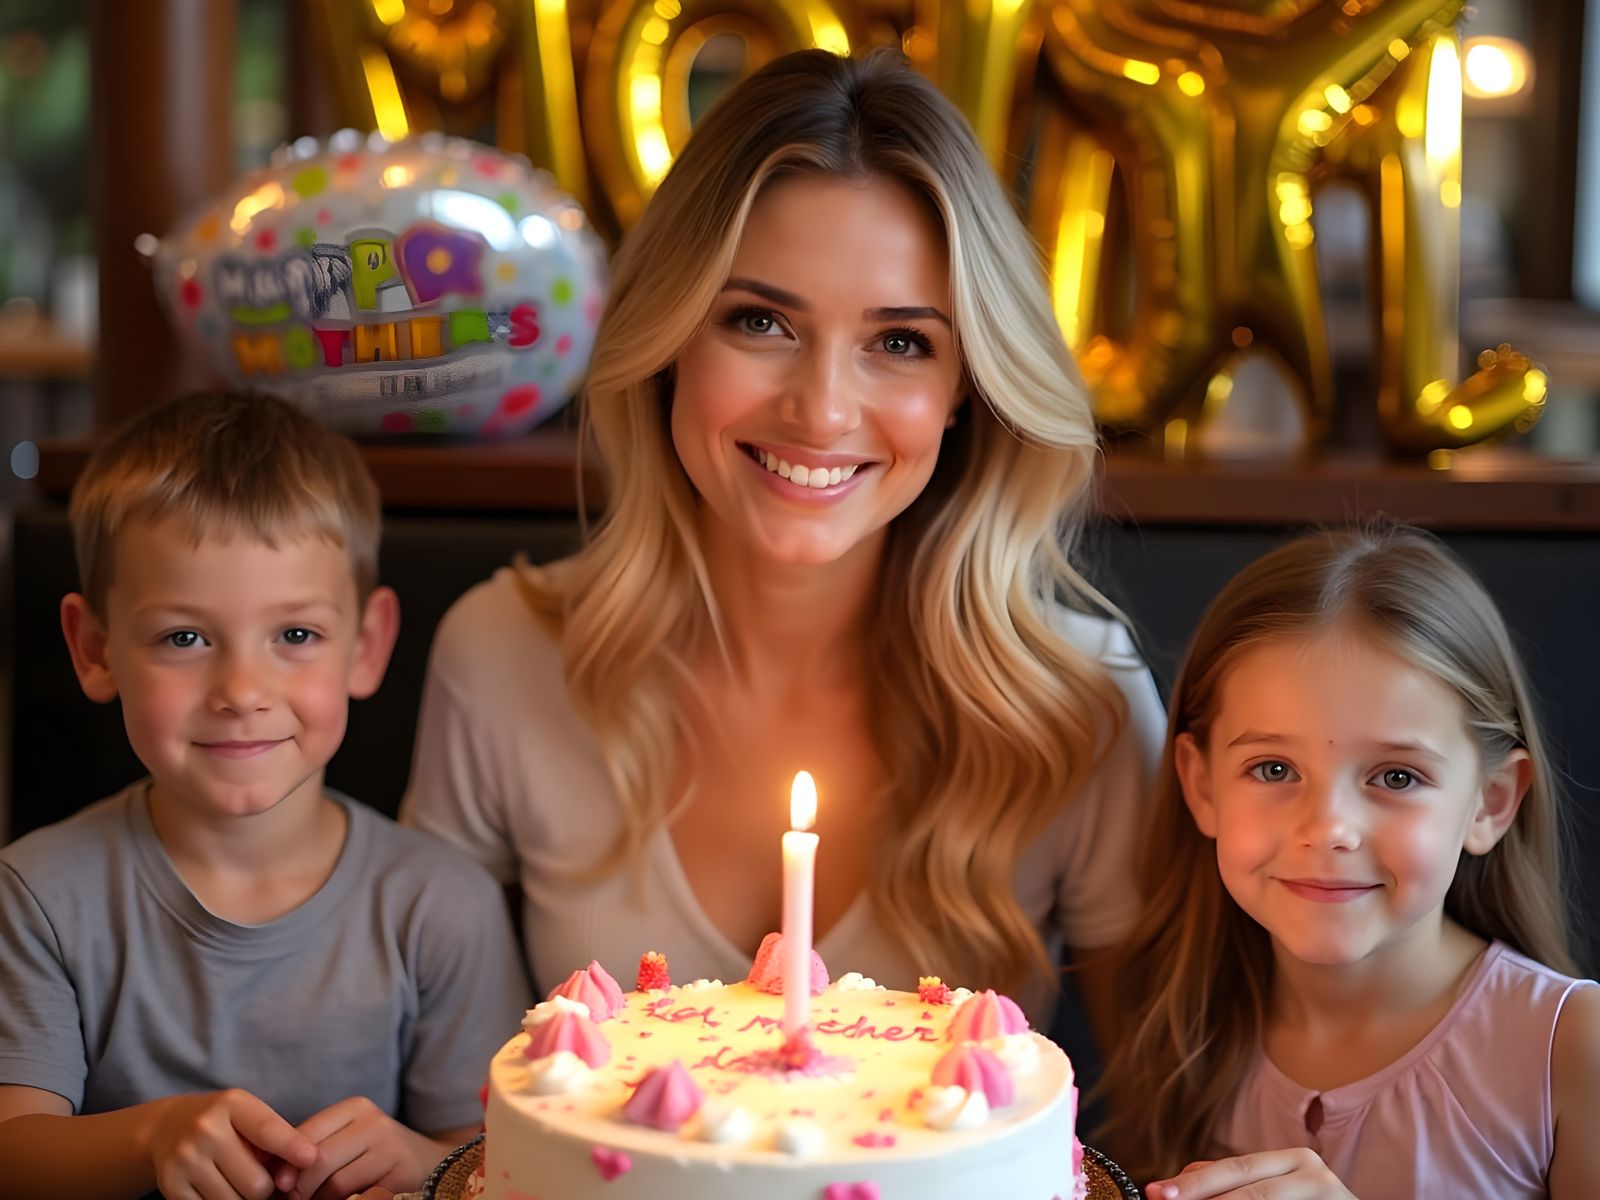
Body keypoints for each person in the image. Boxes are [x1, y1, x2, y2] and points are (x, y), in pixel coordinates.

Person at [402, 46, 1165, 1046]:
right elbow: (458, 1100)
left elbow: (1166, 1109)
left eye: (900, 342)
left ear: (965, 387)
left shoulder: (1084, 705)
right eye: (760, 321)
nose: (822, 410)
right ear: (671, 341)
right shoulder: (501, 657)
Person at [0, 392, 529, 1200]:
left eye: (295, 635)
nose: (242, 691)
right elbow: (13, 1151)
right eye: (185, 637)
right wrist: (151, 1137)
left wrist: (423, 1162)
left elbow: (496, 1158)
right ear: (96, 649)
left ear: (366, 645)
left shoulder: (441, 906)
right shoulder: (38, 896)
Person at [1098, 527, 1600, 1198]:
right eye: (1273, 769)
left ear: (1491, 802)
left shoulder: (1571, 1048)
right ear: (1202, 786)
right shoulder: (1180, 1025)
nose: (1329, 829)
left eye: (1396, 777)